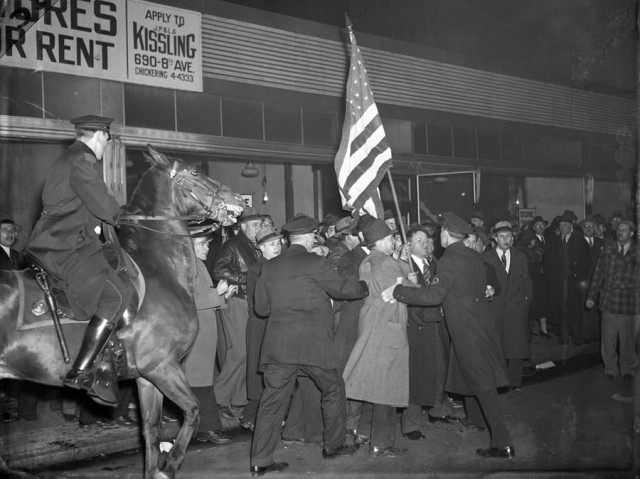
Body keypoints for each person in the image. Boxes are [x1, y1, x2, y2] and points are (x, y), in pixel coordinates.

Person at [382, 211, 513, 459]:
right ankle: (497, 436)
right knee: (480, 382)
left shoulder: (448, 260)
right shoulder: (474, 256)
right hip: (481, 327)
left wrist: (400, 291)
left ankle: (502, 442)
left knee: (483, 385)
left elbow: (434, 297)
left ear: (445, 233)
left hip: (466, 332)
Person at [250, 216, 369, 476]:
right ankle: (333, 446)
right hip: (313, 346)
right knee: (333, 389)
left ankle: (260, 460)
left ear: (289, 239)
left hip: (278, 349)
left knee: (271, 403)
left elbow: (261, 308)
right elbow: (343, 290)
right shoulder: (316, 263)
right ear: (309, 237)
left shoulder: (269, 267)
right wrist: (363, 286)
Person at [26, 115, 131, 407]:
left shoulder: (66, 159)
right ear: (99, 136)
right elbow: (105, 204)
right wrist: (120, 213)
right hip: (67, 246)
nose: (105, 147)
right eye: (106, 141)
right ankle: (81, 371)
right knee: (117, 295)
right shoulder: (82, 161)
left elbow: (77, 205)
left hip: (59, 239)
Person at [343, 219, 411, 458]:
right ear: (382, 241)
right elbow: (411, 286)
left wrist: (402, 265)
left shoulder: (368, 260)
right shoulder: (387, 264)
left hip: (372, 321)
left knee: (374, 382)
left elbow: (399, 273)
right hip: (388, 325)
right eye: (392, 238)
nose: (394, 241)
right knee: (387, 386)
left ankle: (363, 432)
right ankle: (381, 443)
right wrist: (406, 276)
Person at [399, 227, 455, 437]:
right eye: (419, 240)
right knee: (416, 375)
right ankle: (410, 424)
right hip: (417, 326)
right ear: (409, 244)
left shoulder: (433, 263)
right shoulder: (404, 266)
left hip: (437, 323)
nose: (425, 244)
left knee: (440, 367)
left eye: (427, 240)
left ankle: (437, 409)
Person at [182, 225, 234, 444]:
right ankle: (208, 428)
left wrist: (223, 296)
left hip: (205, 331)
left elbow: (206, 299)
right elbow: (189, 301)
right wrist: (218, 293)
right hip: (197, 333)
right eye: (202, 244)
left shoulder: (198, 265)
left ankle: (204, 428)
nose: (207, 247)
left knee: (203, 380)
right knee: (199, 381)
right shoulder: (188, 267)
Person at [212, 207, 262, 420]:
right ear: (242, 226)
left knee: (246, 352)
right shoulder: (233, 245)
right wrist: (246, 279)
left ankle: (238, 399)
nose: (258, 228)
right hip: (235, 301)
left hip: (245, 301)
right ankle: (217, 399)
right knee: (239, 352)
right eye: (254, 225)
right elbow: (219, 270)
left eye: (260, 224)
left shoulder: (251, 246)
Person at [586, 220, 639, 381]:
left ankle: (627, 368)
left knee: (627, 339)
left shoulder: (637, 253)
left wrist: (623, 284)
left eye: (624, 229)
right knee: (608, 339)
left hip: (628, 303)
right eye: (619, 229)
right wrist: (590, 296)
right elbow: (598, 274)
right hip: (608, 302)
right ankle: (610, 368)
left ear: (631, 233)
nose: (620, 232)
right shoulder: (608, 250)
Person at [241, 227, 283, 432]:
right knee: (259, 369)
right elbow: (261, 303)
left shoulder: (280, 266)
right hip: (261, 324)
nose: (276, 247)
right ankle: (251, 415)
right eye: (271, 244)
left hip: (274, 323)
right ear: (260, 248)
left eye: (278, 243)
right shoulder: (256, 269)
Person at [483, 221, 533, 390]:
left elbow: (527, 282)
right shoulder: (486, 257)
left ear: (513, 239)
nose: (505, 239)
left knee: (516, 349)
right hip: (496, 309)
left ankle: (515, 382)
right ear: (495, 238)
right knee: (498, 347)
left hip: (516, 309)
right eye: (502, 236)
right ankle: (500, 382)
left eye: (509, 236)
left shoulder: (520, 257)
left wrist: (525, 302)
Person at [543, 212, 591, 344]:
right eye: (560, 225)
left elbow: (586, 263)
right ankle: (563, 336)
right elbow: (547, 264)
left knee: (575, 310)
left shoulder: (579, 241)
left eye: (565, 225)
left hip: (574, 283)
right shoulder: (554, 242)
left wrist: (580, 279)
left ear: (571, 227)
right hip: (558, 283)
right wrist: (552, 281)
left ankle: (577, 337)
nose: (562, 227)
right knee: (561, 310)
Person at [581, 217, 605, 344]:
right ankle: (585, 335)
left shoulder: (601, 243)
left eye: (591, 226)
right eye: (586, 226)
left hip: (598, 280)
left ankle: (595, 334)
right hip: (583, 282)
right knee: (584, 308)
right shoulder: (578, 243)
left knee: (596, 308)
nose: (588, 229)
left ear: (595, 228)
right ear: (582, 229)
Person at [528, 216, 552, 338]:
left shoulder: (548, 239)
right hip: (535, 276)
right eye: (537, 225)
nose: (540, 227)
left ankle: (544, 329)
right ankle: (534, 329)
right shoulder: (531, 242)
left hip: (547, 276)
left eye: (542, 225)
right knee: (536, 301)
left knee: (544, 300)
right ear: (533, 228)